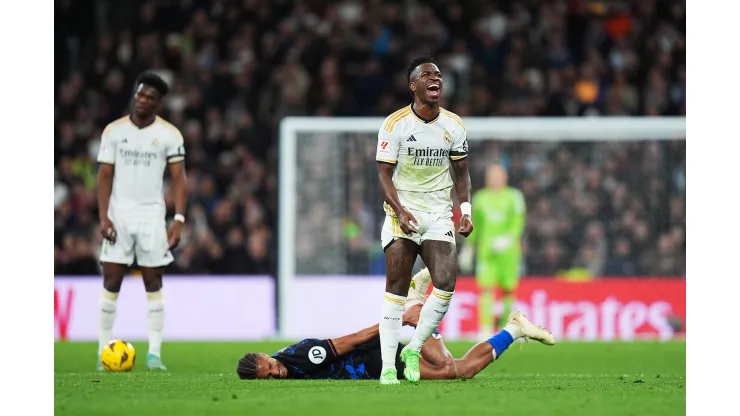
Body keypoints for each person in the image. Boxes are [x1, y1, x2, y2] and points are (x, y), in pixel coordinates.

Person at [236, 268, 555, 380]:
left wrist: (397, 320)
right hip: (372, 359)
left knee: (452, 370)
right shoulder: (283, 367)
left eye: (272, 366)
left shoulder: (301, 357)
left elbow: (352, 339)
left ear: (268, 356)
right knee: (452, 367)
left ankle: (513, 328)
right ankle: (514, 329)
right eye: (270, 376)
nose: (277, 373)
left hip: (372, 360)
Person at [374, 55, 473, 385]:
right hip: (401, 215)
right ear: (412, 85)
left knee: (446, 283)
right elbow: (384, 175)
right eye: (427, 74)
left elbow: (462, 174)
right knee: (397, 290)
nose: (436, 78)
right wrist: (400, 211)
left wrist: (466, 212)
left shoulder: (454, 126)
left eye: (439, 74)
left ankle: (413, 349)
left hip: (438, 214)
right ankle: (389, 366)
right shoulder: (394, 125)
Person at [95, 72, 188, 371]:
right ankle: (102, 353)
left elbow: (179, 179)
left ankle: (154, 355)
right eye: (140, 94)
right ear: (134, 95)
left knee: (153, 280)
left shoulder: (170, 135)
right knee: (111, 279)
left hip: (151, 215)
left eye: (150, 97)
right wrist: (103, 215)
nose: (143, 100)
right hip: (120, 214)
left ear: (159, 103)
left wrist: (178, 219)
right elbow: (104, 175)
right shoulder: (113, 131)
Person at [459, 164, 526, 339]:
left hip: (509, 253)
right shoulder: (481, 198)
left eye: (498, 175)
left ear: (505, 177)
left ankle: (506, 327)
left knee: (508, 291)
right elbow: (476, 225)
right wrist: (469, 248)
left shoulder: (514, 197)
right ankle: (485, 329)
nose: (495, 179)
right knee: (486, 290)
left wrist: (508, 239)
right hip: (487, 253)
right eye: (492, 176)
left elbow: (518, 222)